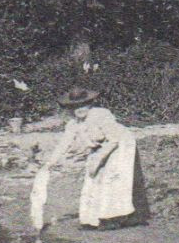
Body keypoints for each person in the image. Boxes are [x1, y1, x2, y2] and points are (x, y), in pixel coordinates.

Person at [37, 87, 148, 230]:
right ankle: (91, 220)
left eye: (83, 104)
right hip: (102, 145)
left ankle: (112, 219)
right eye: (75, 106)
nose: (79, 109)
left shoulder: (101, 115)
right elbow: (64, 143)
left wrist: (99, 159)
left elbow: (114, 139)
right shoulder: (73, 124)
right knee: (92, 178)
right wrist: (49, 163)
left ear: (90, 104)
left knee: (112, 178)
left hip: (121, 144)